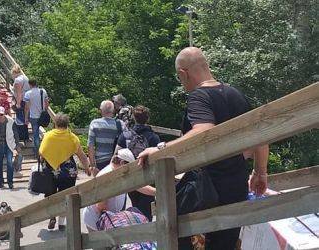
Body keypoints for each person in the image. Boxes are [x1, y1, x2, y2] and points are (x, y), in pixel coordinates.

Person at [137, 47, 269, 250]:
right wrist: (260, 171)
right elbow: (261, 134)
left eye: (180, 79)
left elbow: (203, 130)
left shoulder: (198, 96)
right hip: (235, 186)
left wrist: (161, 149)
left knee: (172, 229)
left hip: (207, 189)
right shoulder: (236, 94)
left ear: (183, 73)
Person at [83, 148, 156, 232]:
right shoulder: (106, 176)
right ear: (122, 163)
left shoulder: (121, 173)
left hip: (111, 216)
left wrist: (157, 192)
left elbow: (139, 186)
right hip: (97, 220)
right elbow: (101, 206)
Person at [39, 114, 91, 230]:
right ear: (67, 124)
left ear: (55, 124)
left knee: (51, 195)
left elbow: (41, 152)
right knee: (67, 196)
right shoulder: (72, 137)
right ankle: (62, 223)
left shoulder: (48, 136)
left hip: (51, 171)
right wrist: (87, 167)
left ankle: (52, 216)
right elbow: (81, 155)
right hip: (68, 171)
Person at [116, 105, 160, 220]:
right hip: (148, 177)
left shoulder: (125, 135)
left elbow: (117, 155)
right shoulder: (154, 137)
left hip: (131, 177)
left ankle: (136, 231)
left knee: (134, 207)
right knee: (146, 211)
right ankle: (145, 233)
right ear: (147, 118)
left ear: (134, 118)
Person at [87, 100, 124, 173]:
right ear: (113, 110)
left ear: (101, 110)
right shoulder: (120, 124)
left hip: (100, 162)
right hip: (116, 161)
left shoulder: (95, 123)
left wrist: (93, 166)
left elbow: (90, 146)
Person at [0, 106, 18, 189]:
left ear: (4, 114)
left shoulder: (11, 121)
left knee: (10, 163)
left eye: (1, 114)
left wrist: (17, 146)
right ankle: (0, 182)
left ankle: (10, 182)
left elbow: (16, 134)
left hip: (9, 144)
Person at [23, 79, 49, 155]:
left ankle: (37, 151)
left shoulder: (28, 93)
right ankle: (44, 149)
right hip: (42, 116)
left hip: (33, 116)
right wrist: (45, 112)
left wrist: (26, 118)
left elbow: (27, 107)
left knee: (36, 134)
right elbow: (47, 104)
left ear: (30, 84)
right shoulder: (43, 91)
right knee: (45, 133)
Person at [12, 65, 30, 142]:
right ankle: (26, 137)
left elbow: (19, 93)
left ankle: (21, 137)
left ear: (14, 72)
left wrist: (18, 103)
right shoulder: (26, 78)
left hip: (21, 101)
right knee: (25, 118)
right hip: (27, 100)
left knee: (20, 119)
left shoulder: (18, 80)